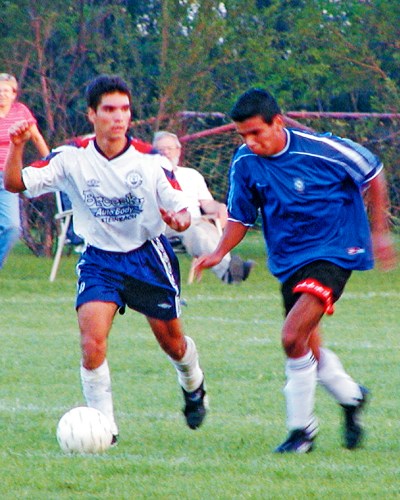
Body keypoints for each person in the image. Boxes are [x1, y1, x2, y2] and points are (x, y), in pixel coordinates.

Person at [5, 75, 208, 442]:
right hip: (100, 261)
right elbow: (16, 184)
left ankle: (193, 382)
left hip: (147, 257)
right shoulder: (71, 157)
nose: (118, 117)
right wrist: (17, 148)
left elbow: (181, 203)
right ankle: (105, 428)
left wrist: (182, 218)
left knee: (173, 344)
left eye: (125, 110)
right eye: (109, 110)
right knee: (91, 344)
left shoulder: (150, 160)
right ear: (92, 114)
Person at [193, 88, 397, 453]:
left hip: (335, 251)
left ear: (278, 122)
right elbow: (240, 217)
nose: (250, 142)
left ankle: (301, 432)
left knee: (291, 336)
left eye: (257, 132)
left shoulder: (321, 149)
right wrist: (218, 252)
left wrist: (379, 233)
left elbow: (373, 174)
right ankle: (351, 398)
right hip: (289, 259)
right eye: (243, 135)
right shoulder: (245, 163)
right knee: (306, 344)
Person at [153, 131, 254, 284]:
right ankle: (228, 270)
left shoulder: (192, 175)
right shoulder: (151, 176)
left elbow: (207, 204)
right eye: (160, 150)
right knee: (195, 231)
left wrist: (220, 207)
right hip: (169, 224)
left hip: (197, 220)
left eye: (170, 148)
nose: (166, 153)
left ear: (178, 151)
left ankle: (230, 267)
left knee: (208, 229)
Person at [0, 72, 49, 269]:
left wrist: (51, 162)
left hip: (8, 178)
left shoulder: (20, 112)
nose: (2, 94)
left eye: (6, 91)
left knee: (12, 227)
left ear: (14, 94)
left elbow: (36, 138)